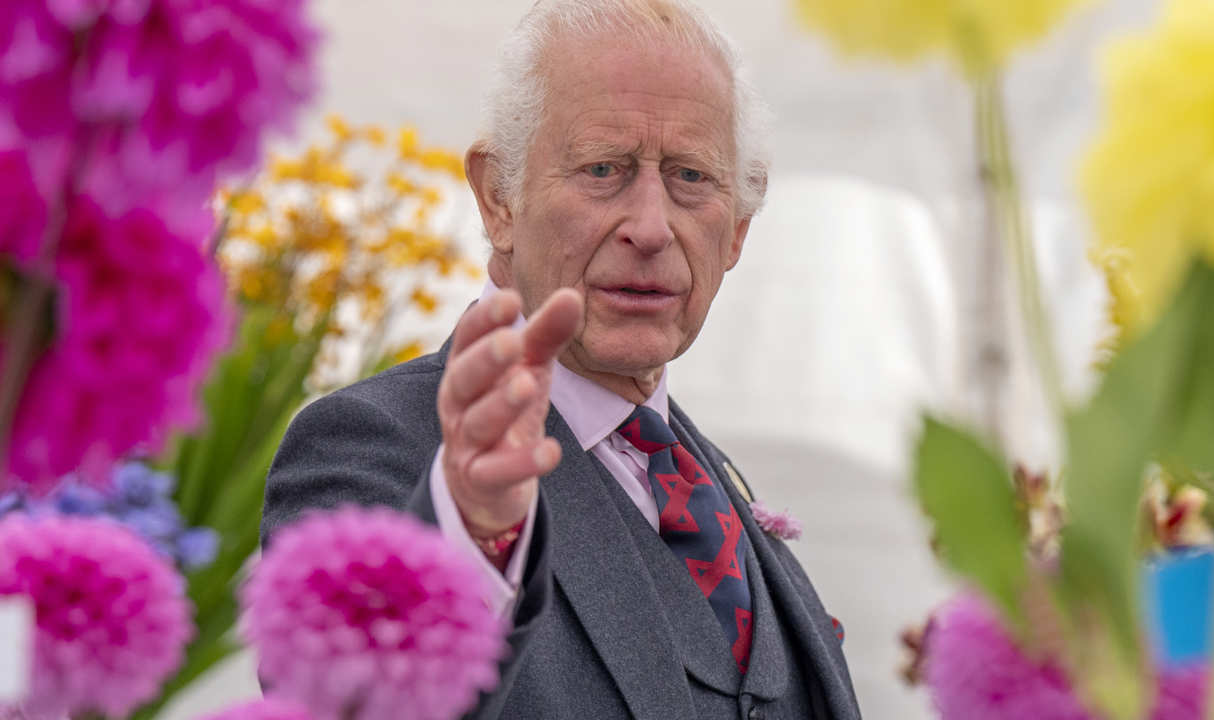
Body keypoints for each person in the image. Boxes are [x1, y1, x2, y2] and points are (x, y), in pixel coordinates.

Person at [262, 1, 861, 718]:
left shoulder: (704, 477)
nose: (649, 227)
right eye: (603, 169)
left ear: (736, 232)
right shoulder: (378, 448)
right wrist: (470, 536)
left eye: (691, 178)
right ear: (498, 199)